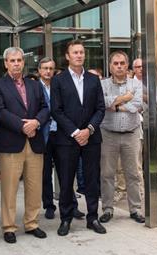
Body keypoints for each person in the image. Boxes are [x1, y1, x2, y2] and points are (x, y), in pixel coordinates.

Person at [0, 47, 49, 244]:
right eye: (12, 60)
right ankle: (9, 226)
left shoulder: (34, 85)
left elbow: (45, 108)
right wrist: (23, 126)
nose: (16, 64)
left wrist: (37, 123)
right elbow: (0, 111)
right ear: (5, 63)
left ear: (23, 62)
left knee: (34, 186)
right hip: (11, 143)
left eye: (19, 60)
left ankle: (32, 223)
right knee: (9, 187)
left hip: (34, 142)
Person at [50, 40, 106, 236]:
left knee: (92, 180)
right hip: (67, 139)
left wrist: (88, 130)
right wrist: (75, 132)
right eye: (75, 52)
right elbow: (56, 110)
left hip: (91, 138)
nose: (79, 55)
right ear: (67, 56)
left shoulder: (93, 79)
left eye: (81, 52)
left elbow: (100, 108)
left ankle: (93, 218)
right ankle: (65, 219)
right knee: (66, 181)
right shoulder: (58, 80)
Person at [98, 51, 145, 224]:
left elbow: (137, 104)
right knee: (107, 174)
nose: (119, 66)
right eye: (115, 63)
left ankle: (135, 209)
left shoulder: (136, 84)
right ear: (110, 66)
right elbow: (102, 103)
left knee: (133, 174)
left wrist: (116, 105)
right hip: (108, 134)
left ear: (127, 66)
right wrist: (125, 98)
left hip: (131, 134)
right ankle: (108, 209)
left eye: (122, 63)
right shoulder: (102, 85)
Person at [37, 57, 84, 220]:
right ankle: (49, 205)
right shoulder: (35, 87)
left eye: (51, 68)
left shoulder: (61, 85)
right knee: (45, 173)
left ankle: (71, 205)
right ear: (39, 71)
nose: (48, 71)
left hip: (62, 134)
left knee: (66, 171)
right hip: (43, 135)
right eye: (45, 68)